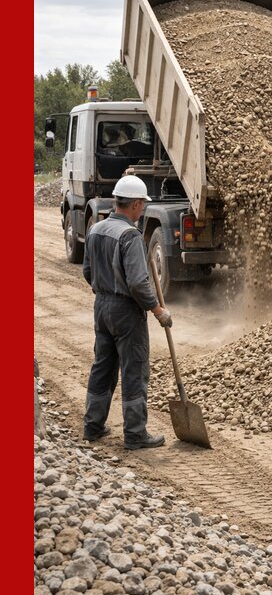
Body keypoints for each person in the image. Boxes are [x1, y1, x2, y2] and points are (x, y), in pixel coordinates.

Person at [82, 175, 172, 449]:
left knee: (103, 366)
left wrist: (105, 290)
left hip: (102, 306)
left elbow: (88, 271)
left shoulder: (96, 229)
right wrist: (157, 310)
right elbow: (137, 282)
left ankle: (93, 425)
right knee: (134, 369)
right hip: (125, 311)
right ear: (133, 204)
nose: (142, 209)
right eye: (141, 205)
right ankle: (135, 433)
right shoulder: (130, 235)